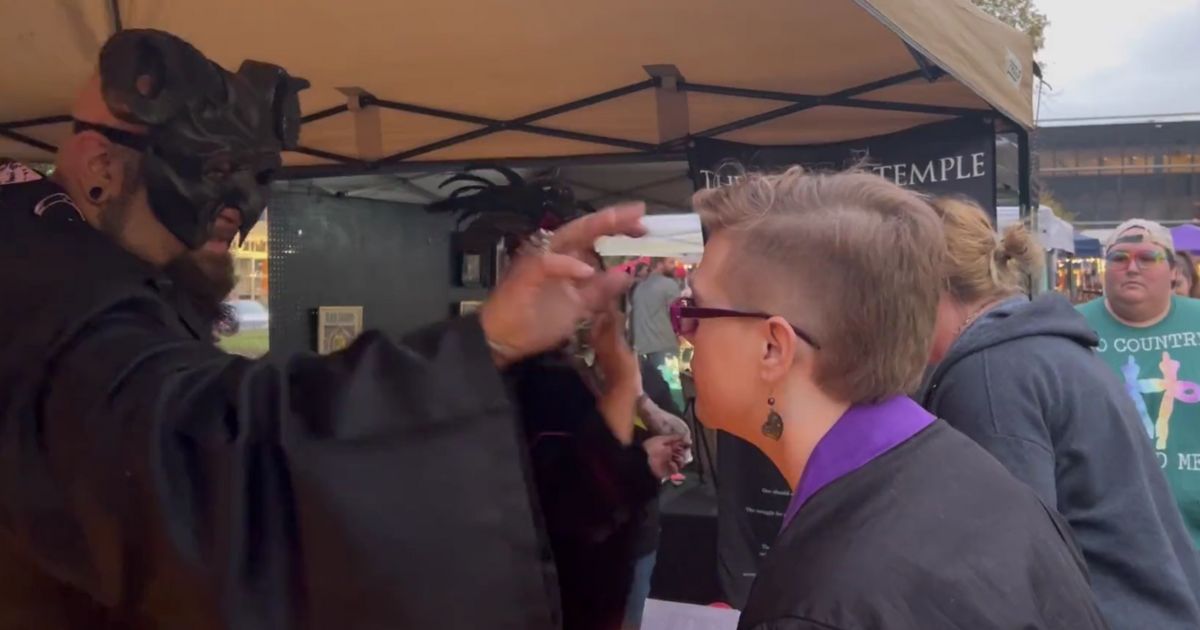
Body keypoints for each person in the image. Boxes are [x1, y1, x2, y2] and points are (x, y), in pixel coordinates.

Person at [0, 30, 650, 630]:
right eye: (212, 168)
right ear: (99, 168)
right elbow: (201, 460)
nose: (239, 206)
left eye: (257, 177)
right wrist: (483, 345)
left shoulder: (86, 282)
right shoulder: (45, 303)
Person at [682, 167, 1106, 630]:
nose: (683, 331)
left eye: (694, 311)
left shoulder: (821, 598)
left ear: (773, 348)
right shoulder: (987, 483)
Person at [920, 197, 1200, 629]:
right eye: (1122, 257)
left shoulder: (991, 374)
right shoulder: (1040, 347)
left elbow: (1011, 573)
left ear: (924, 285)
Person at [1079, 219, 1200, 550]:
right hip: (1106, 537)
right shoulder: (1071, 328)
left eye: (1148, 258)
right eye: (1119, 258)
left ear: (1174, 270)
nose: (1132, 267)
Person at [631, 258, 684, 417]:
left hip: (641, 348)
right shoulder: (668, 285)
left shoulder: (639, 288)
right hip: (663, 346)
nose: (673, 266)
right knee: (674, 390)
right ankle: (682, 425)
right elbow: (680, 316)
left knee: (652, 394)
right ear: (659, 264)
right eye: (670, 262)